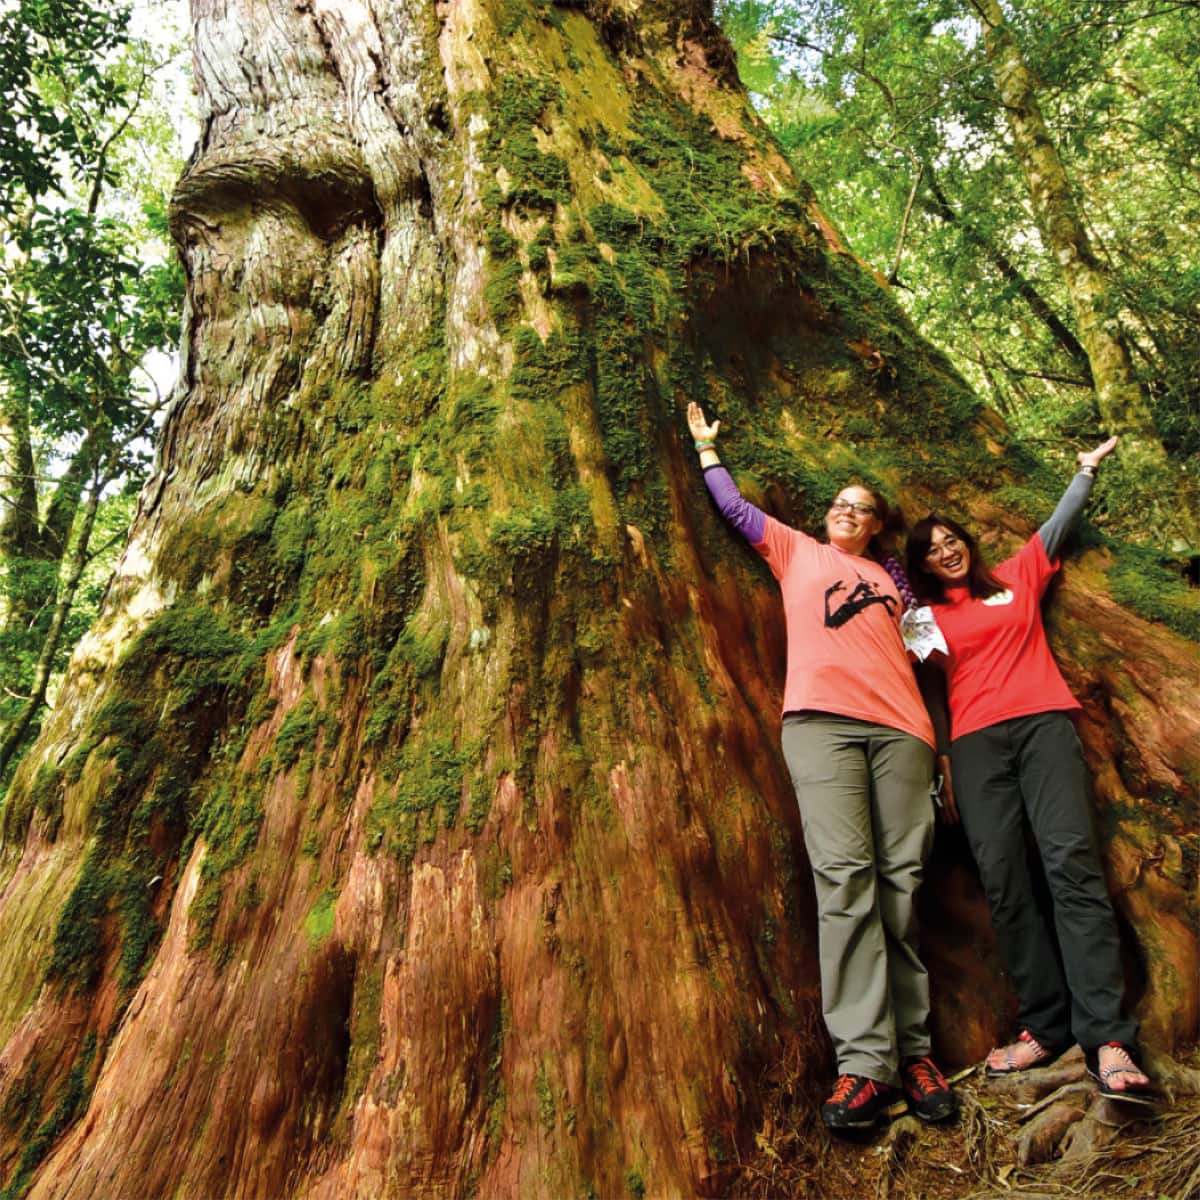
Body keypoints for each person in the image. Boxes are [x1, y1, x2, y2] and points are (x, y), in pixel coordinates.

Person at [686, 402, 957, 1132]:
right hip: (821, 726)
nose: (846, 512)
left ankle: (915, 1055)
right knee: (846, 882)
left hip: (903, 734)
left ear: (875, 524)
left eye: (860, 508)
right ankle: (864, 1066)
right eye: (839, 503)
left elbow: (933, 659)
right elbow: (735, 510)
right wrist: (708, 451)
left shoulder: (898, 585)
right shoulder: (798, 552)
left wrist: (942, 743)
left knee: (899, 887)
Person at [905, 436, 1154, 1103]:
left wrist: (1085, 470)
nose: (944, 550)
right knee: (1007, 882)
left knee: (1072, 867)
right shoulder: (921, 619)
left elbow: (1058, 524)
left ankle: (1107, 1035)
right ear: (921, 565)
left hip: (1044, 727)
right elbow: (928, 692)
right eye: (929, 548)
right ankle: (1045, 1024)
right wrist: (945, 758)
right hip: (978, 747)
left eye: (950, 539)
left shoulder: (1018, 576)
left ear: (967, 544)